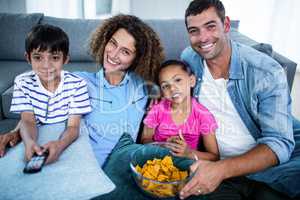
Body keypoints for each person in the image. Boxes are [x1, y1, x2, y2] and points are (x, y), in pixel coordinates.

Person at [0, 14, 165, 167]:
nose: (113, 54)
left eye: (125, 52)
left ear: (138, 58)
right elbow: (39, 108)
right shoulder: (80, 81)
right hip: (81, 166)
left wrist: (160, 94)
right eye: (113, 43)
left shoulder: (145, 86)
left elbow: (174, 89)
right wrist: (15, 133)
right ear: (105, 41)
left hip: (123, 166)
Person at [179, 0, 300, 199]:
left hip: (271, 167)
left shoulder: (266, 72)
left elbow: (279, 143)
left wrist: (220, 170)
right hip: (221, 168)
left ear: (226, 25)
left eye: (210, 26)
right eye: (194, 31)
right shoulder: (190, 59)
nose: (203, 38)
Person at [10, 24, 91, 164]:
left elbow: (73, 127)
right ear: (28, 58)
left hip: (66, 134)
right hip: (34, 131)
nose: (46, 66)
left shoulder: (77, 84)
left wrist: (59, 145)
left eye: (54, 58)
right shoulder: (22, 82)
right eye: (38, 58)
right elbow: (28, 121)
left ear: (65, 59)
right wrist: (29, 143)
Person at [142, 59, 219, 161]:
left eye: (178, 80)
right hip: (157, 163)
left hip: (187, 167)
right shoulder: (157, 109)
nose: (172, 88)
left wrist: (189, 153)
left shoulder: (203, 115)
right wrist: (162, 146)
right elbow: (144, 140)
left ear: (191, 81)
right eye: (165, 86)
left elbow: (214, 157)